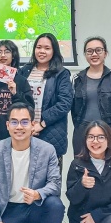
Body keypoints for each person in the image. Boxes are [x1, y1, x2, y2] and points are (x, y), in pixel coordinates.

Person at [19, 33, 73, 168]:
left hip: (50, 131)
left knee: (51, 180)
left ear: (54, 50)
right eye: (38, 47)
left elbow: (64, 103)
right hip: (25, 130)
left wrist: (41, 124)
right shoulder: (24, 71)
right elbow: (18, 100)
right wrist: (28, 124)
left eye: (47, 48)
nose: (42, 51)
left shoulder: (61, 73)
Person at [0, 40, 33, 165]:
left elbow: (30, 108)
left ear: (13, 55)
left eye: (7, 51)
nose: (3, 55)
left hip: (15, 137)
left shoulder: (21, 80)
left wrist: (15, 93)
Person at [71, 36, 111, 156]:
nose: (94, 54)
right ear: (85, 55)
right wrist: (80, 124)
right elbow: (72, 107)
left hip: (109, 129)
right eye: (89, 51)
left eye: (98, 50)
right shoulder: (77, 78)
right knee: (81, 168)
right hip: (82, 131)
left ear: (105, 53)